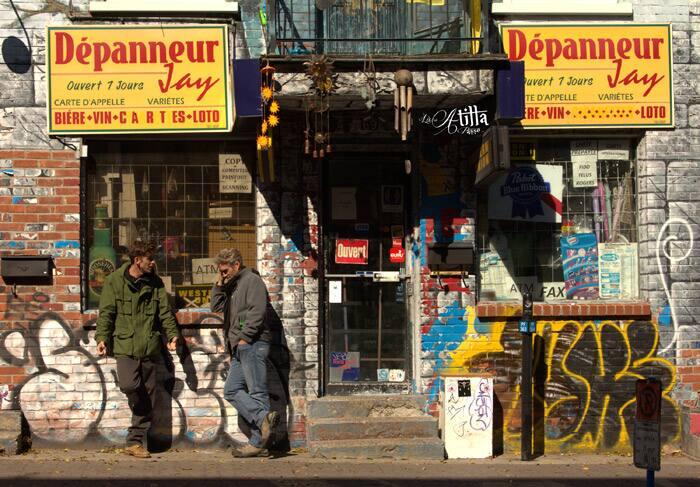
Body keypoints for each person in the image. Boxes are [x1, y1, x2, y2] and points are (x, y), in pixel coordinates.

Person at [95, 241, 180, 459]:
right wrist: (101, 338)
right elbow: (106, 313)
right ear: (137, 260)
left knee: (150, 396)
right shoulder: (114, 281)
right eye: (149, 259)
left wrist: (172, 334)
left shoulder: (155, 283)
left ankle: (134, 441)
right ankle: (136, 434)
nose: (153, 263)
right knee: (129, 385)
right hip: (125, 346)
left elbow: (164, 312)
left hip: (149, 346)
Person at [211, 248, 280, 458]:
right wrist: (219, 284)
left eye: (225, 270)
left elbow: (257, 311)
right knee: (231, 390)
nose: (223, 274)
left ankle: (259, 443)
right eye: (220, 271)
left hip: (253, 343)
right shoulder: (233, 285)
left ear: (236, 265)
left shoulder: (252, 281)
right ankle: (262, 420)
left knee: (257, 392)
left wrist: (244, 338)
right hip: (241, 346)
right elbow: (215, 306)